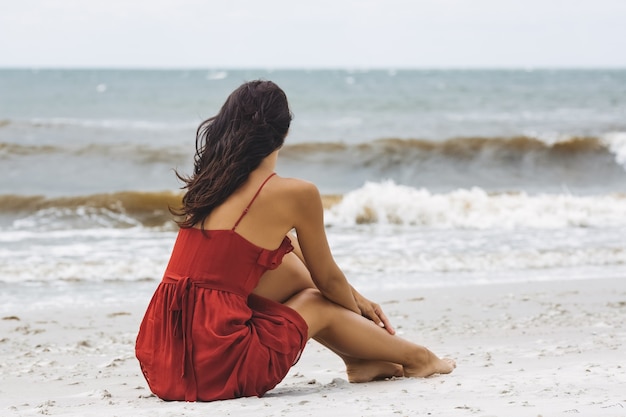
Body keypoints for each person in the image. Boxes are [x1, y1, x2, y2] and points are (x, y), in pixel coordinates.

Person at [135, 80, 455, 402]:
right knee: (315, 299)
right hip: (218, 369)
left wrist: (356, 297)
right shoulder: (295, 193)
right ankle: (418, 357)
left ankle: (360, 359)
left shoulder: (209, 187)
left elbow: (290, 252)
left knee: (288, 262)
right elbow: (328, 281)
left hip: (165, 360)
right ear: (284, 133)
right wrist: (361, 315)